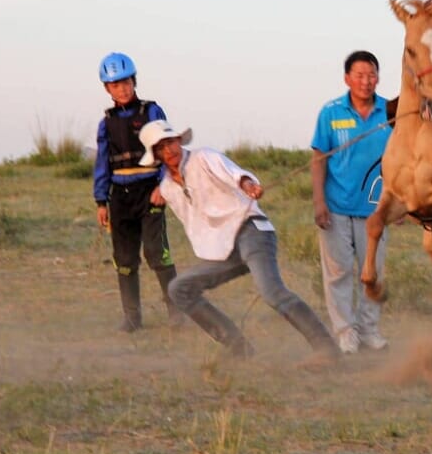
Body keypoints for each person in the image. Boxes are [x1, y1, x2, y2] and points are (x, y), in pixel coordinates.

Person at [139, 120, 340, 363]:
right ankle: (238, 349)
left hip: (251, 230)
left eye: (170, 142)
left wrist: (247, 184)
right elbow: (195, 222)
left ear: (178, 141)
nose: (169, 150)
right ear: (156, 155)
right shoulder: (168, 188)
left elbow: (234, 174)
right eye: (161, 147)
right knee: (178, 288)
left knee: (272, 292)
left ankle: (326, 350)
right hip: (223, 248)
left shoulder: (204, 157)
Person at [92, 52, 181, 332]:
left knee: (157, 254)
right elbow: (102, 163)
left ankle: (177, 312)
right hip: (120, 196)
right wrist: (101, 201)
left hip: (149, 191)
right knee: (125, 259)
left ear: (134, 81)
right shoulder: (105, 123)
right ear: (107, 89)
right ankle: (132, 317)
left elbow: (167, 150)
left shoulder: (151, 111)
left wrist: (163, 186)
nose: (123, 88)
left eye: (126, 82)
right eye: (115, 85)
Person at [310, 51, 392, 354]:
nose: (365, 81)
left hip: (377, 210)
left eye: (371, 75)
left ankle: (370, 330)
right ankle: (345, 332)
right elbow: (318, 158)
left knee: (373, 273)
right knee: (339, 271)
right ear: (347, 78)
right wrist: (319, 202)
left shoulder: (391, 111)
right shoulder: (330, 112)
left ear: (378, 78)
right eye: (359, 75)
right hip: (337, 208)